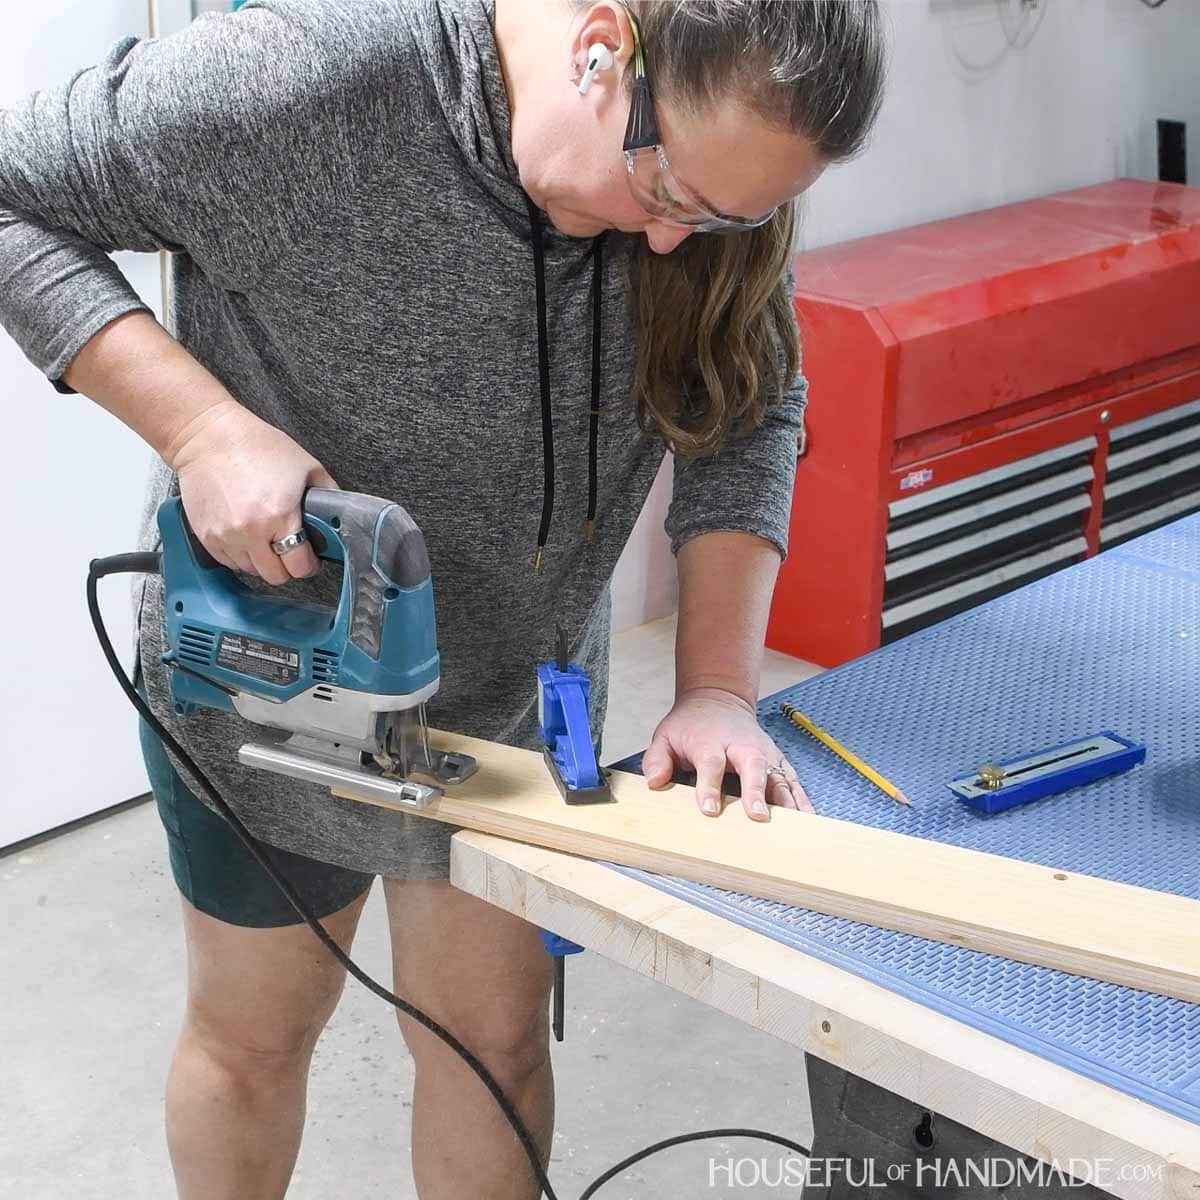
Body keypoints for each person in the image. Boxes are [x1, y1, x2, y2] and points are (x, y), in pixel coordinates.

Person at [0, 0, 885, 1195]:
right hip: (276, 692)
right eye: (667, 190)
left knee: (493, 1047)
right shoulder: (311, 84)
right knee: (256, 1038)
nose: (678, 243)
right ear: (599, 49)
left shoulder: (714, 172)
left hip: (513, 711)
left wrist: (720, 686)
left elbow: (750, 402)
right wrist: (200, 427)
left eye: (730, 214)